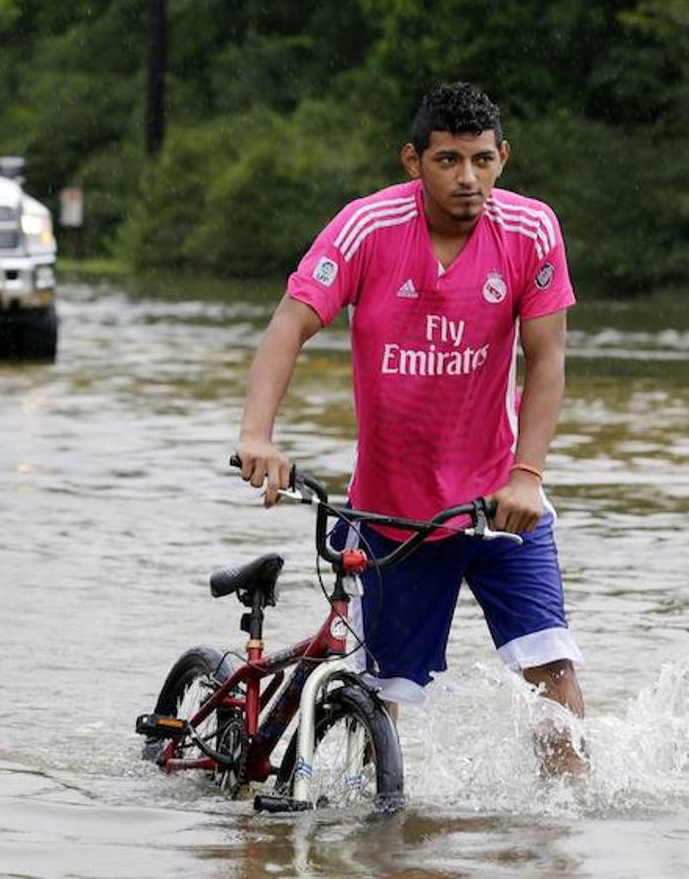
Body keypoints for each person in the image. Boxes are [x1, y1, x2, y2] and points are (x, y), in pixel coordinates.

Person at [234, 82, 585, 775]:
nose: (467, 178)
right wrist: (257, 434)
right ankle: (377, 841)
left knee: (551, 672)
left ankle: (564, 837)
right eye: (448, 160)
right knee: (381, 698)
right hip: (393, 512)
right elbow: (288, 326)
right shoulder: (366, 228)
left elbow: (545, 361)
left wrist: (527, 473)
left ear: (503, 159)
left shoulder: (531, 230)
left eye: (482, 160)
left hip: (498, 503)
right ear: (411, 161)